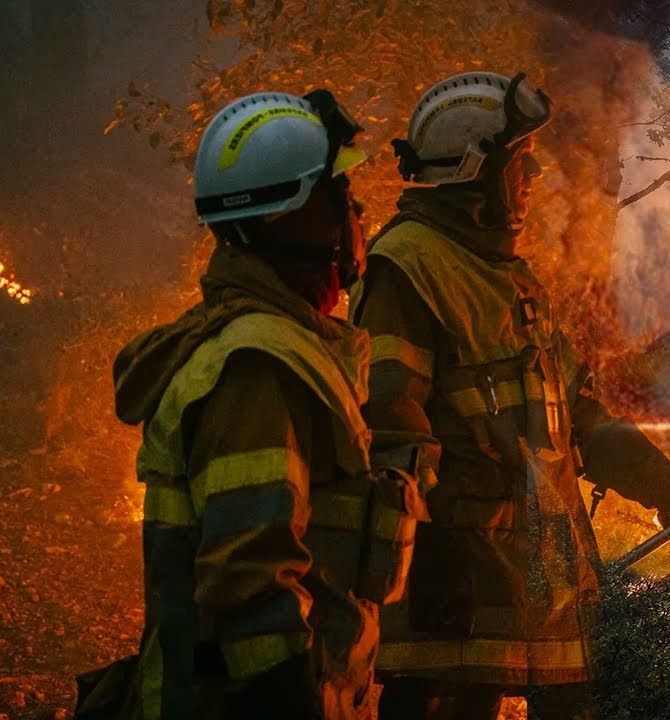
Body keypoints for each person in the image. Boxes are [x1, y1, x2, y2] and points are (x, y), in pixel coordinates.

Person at [350, 71, 670, 720]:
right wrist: (428, 552)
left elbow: (579, 417)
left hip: (534, 587)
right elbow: (385, 422)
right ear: (473, 170)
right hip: (454, 594)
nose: (532, 179)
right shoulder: (406, 267)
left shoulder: (513, 282)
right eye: (520, 163)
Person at [76, 90, 423, 720]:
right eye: (341, 195)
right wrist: (289, 700)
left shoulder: (285, 346)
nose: (359, 210)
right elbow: (250, 581)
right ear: (293, 218)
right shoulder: (258, 366)